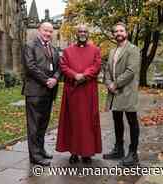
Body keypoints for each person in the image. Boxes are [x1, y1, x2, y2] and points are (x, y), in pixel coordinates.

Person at [56, 25, 102, 164]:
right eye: (80, 31)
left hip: (88, 91)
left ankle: (87, 153)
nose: (82, 33)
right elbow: (63, 66)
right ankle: (74, 152)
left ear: (88, 34)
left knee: (88, 122)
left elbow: (97, 65)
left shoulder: (95, 50)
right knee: (73, 122)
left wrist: (84, 75)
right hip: (73, 91)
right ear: (76, 34)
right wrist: (74, 75)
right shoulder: (68, 51)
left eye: (85, 31)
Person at [22, 22, 61, 166]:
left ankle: (41, 150)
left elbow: (59, 67)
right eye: (45, 30)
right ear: (39, 30)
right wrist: (47, 80)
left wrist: (55, 78)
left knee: (43, 124)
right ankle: (35, 156)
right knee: (34, 125)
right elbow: (30, 67)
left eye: (51, 31)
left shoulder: (53, 48)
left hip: (49, 92)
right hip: (35, 92)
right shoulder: (30, 46)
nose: (48, 34)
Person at [102, 22, 141, 166]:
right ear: (113, 34)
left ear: (126, 32)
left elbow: (131, 71)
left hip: (127, 91)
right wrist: (108, 83)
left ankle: (133, 153)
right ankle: (119, 149)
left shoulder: (133, 49)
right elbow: (107, 70)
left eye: (121, 31)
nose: (119, 33)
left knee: (132, 122)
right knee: (117, 120)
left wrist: (115, 84)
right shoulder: (113, 51)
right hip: (114, 92)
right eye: (116, 31)